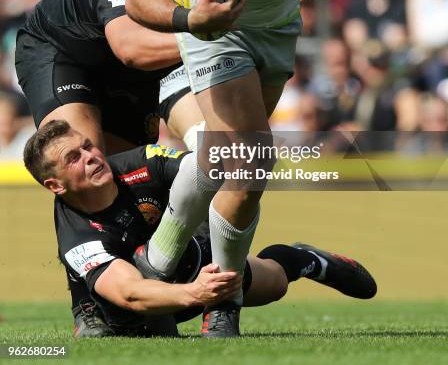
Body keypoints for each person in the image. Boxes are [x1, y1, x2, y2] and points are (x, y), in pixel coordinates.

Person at [125, 0, 427, 336]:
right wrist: (192, 19)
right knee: (251, 159)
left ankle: (158, 259)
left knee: (226, 162)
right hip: (216, 31)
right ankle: (223, 300)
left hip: (278, 28)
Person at [23, 120, 377, 337]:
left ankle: (305, 260)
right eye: (74, 158)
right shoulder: (77, 237)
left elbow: (207, 173)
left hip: (196, 260)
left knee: (277, 284)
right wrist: (197, 294)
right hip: (156, 302)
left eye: (87, 146)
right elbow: (130, 292)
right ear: (55, 186)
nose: (90, 156)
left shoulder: (144, 162)